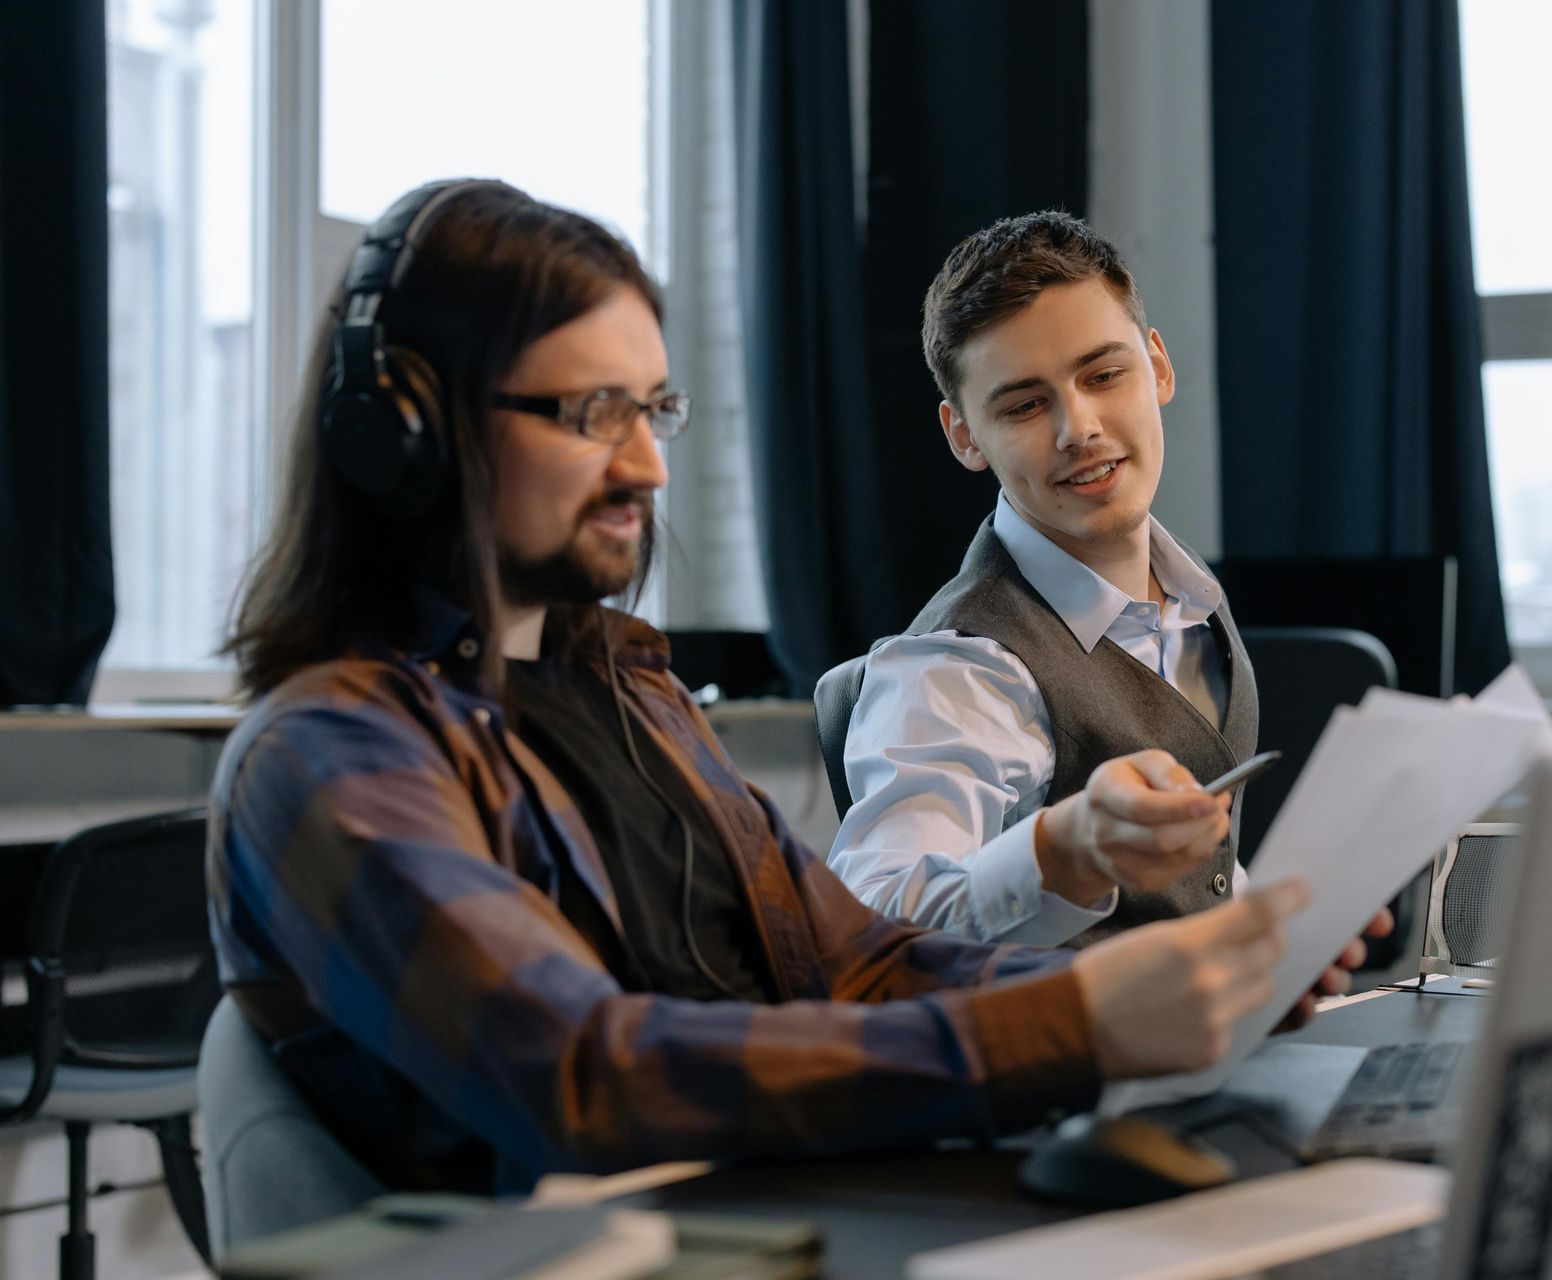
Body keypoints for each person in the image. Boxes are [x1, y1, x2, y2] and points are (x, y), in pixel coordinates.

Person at [206, 180, 1318, 1195]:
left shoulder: (630, 699)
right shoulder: (333, 752)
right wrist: (1072, 1027)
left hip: (763, 1216)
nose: (645, 464)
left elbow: (852, 958)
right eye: (594, 414)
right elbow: (585, 1071)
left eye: (654, 411)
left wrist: (1173, 981)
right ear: (405, 433)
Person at [830, 213, 1390, 962]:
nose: (1078, 427)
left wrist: (1274, 931)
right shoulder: (956, 668)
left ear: (1157, 367)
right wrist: (1067, 851)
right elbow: (873, 926)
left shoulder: (1191, 601)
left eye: (1103, 375)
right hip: (1060, 1074)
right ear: (964, 435)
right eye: (1025, 404)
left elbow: (1190, 889)